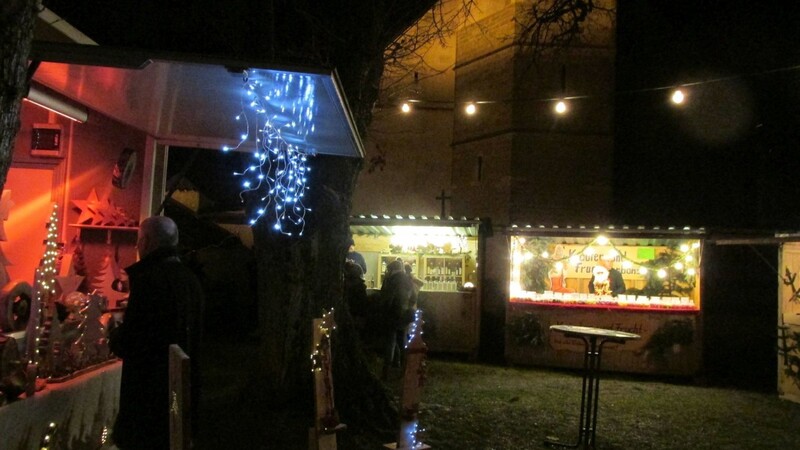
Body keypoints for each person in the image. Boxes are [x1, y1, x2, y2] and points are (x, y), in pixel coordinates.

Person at [110, 216, 204, 450]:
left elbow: (133, 338)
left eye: (139, 241)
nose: (137, 247)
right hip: (179, 392)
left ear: (148, 242)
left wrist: (114, 334)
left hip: (148, 396)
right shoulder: (191, 280)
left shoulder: (149, 280)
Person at [380, 259, 414, 380]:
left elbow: (386, 298)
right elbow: (413, 298)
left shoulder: (390, 280)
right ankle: (404, 369)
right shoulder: (408, 280)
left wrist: (383, 310)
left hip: (392, 314)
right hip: (404, 315)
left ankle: (386, 371)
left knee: (390, 342)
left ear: (391, 269)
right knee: (402, 342)